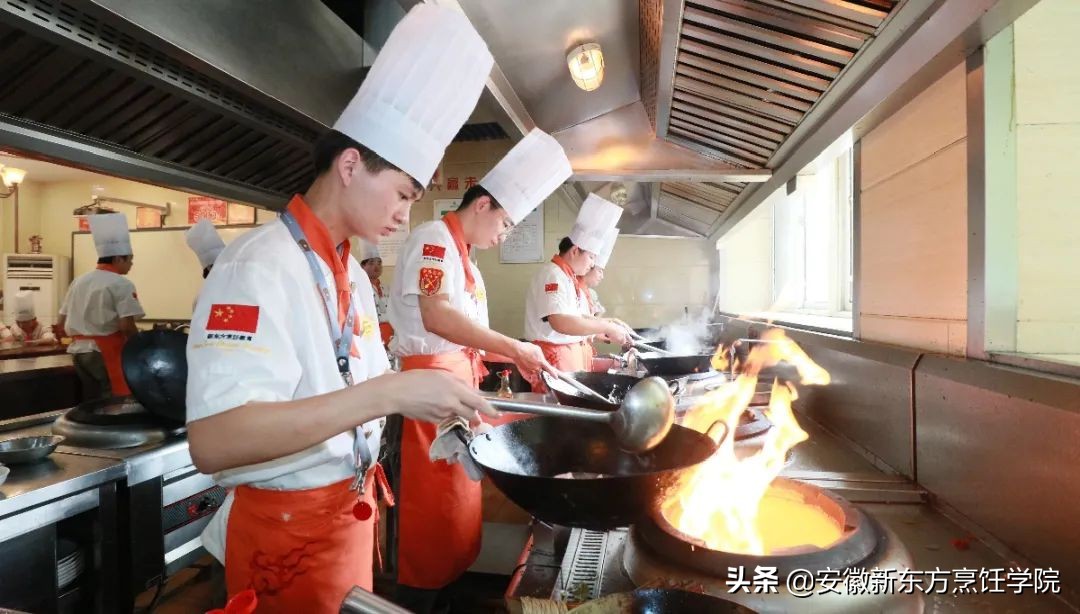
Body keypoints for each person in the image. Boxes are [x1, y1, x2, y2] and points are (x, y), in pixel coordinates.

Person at [182, 5, 495, 612]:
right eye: (403, 193)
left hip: (346, 520)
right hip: (284, 539)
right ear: (351, 165)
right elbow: (214, 442)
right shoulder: (257, 264)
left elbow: (360, 381)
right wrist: (393, 394)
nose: (406, 214)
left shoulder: (345, 269)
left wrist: (443, 408)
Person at [387, 127, 571, 612]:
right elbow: (437, 316)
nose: (504, 235)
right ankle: (418, 601)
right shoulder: (433, 241)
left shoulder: (467, 258)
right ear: (482, 204)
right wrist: (514, 347)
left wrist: (517, 355)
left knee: (456, 501)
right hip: (429, 390)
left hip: (454, 384)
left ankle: (445, 595)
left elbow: (467, 332)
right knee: (431, 512)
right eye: (506, 223)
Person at [523, 194, 632, 391]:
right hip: (556, 360)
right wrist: (605, 326)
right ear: (575, 251)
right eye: (591, 257)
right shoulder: (553, 275)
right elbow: (561, 322)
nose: (592, 264)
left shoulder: (567, 278)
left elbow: (577, 318)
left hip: (569, 358)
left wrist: (607, 325)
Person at [57, 213, 145, 400]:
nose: (131, 264)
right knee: (114, 401)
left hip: (78, 351)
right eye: (129, 259)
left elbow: (60, 320)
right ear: (118, 259)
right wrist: (140, 347)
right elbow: (126, 326)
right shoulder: (121, 284)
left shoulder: (79, 281)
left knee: (92, 401)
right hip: (104, 352)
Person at [358, 240, 393, 346]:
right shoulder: (359, 289)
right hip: (371, 335)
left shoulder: (387, 288)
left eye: (379, 263)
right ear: (363, 267)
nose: (376, 267)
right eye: (371, 263)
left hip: (391, 335)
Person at [580, 226, 618, 318]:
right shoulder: (574, 289)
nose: (602, 276)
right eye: (600, 271)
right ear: (588, 269)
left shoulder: (591, 293)